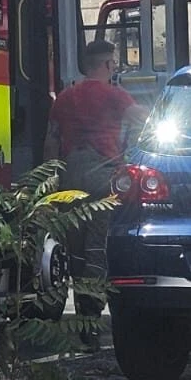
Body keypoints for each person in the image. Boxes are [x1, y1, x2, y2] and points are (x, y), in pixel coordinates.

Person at [43, 40, 150, 348]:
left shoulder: (64, 98)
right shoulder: (114, 95)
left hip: (70, 174)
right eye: (113, 64)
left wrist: (52, 176)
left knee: (75, 248)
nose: (114, 69)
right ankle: (91, 319)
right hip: (103, 175)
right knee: (97, 249)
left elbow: (51, 141)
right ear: (106, 65)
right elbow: (143, 119)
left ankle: (81, 319)